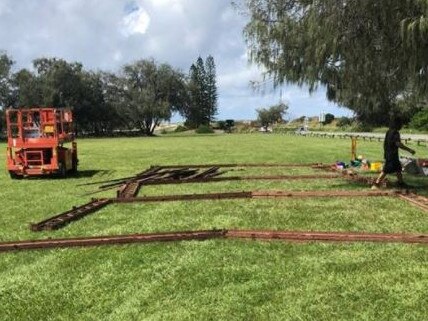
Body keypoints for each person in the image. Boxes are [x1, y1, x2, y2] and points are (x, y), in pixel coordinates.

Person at [372, 117, 415, 189]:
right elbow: (398, 144)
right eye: (400, 124)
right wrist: (409, 150)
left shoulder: (389, 131)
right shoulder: (395, 133)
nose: (401, 126)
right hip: (391, 155)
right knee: (386, 170)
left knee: (398, 168)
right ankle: (376, 184)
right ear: (397, 124)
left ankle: (401, 183)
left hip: (389, 153)